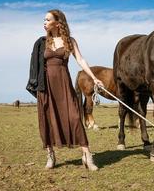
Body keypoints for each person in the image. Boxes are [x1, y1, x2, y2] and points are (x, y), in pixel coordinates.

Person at [26, 9, 104, 171]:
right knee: (47, 120)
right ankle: (50, 155)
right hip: (46, 86)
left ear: (58, 22)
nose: (44, 22)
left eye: (47, 19)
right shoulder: (41, 43)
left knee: (75, 117)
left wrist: (94, 77)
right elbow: (36, 66)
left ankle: (87, 155)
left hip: (64, 85)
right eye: (44, 20)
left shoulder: (69, 41)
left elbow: (81, 60)